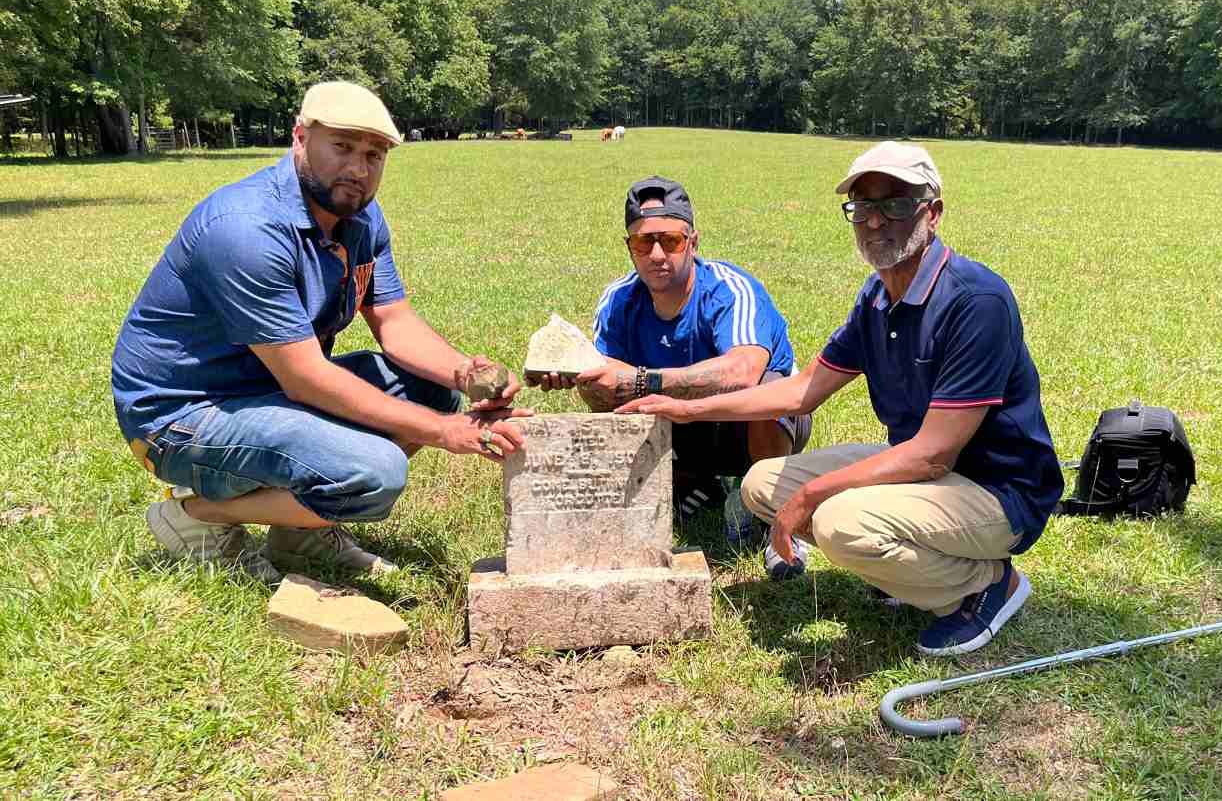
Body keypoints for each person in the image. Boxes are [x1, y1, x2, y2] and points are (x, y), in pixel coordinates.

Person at [618, 143, 1062, 656]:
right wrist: (685, 407)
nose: (875, 222)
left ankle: (987, 587)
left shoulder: (974, 301)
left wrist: (812, 496)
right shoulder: (877, 296)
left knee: (836, 520)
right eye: (863, 207)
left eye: (895, 203)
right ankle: (911, 571)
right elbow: (803, 389)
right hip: (931, 474)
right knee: (764, 484)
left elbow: (932, 453)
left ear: (932, 213)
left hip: (999, 490)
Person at [112, 81, 528, 585]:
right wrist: (445, 432)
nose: (359, 167)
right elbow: (306, 380)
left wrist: (469, 376)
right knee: (373, 473)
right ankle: (198, 516)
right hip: (184, 416)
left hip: (264, 390)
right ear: (300, 138)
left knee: (431, 386)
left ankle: (301, 532)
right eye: (343, 147)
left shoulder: (359, 216)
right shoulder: (246, 230)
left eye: (374, 154)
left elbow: (393, 321)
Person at [530, 175, 811, 530]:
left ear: (693, 242)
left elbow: (743, 372)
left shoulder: (730, 289)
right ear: (628, 247)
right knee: (603, 390)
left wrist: (642, 380)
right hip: (680, 425)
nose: (657, 255)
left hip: (751, 424)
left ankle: (774, 514)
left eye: (671, 241)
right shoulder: (617, 299)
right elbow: (605, 375)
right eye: (644, 243)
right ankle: (693, 483)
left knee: (766, 387)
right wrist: (577, 374)